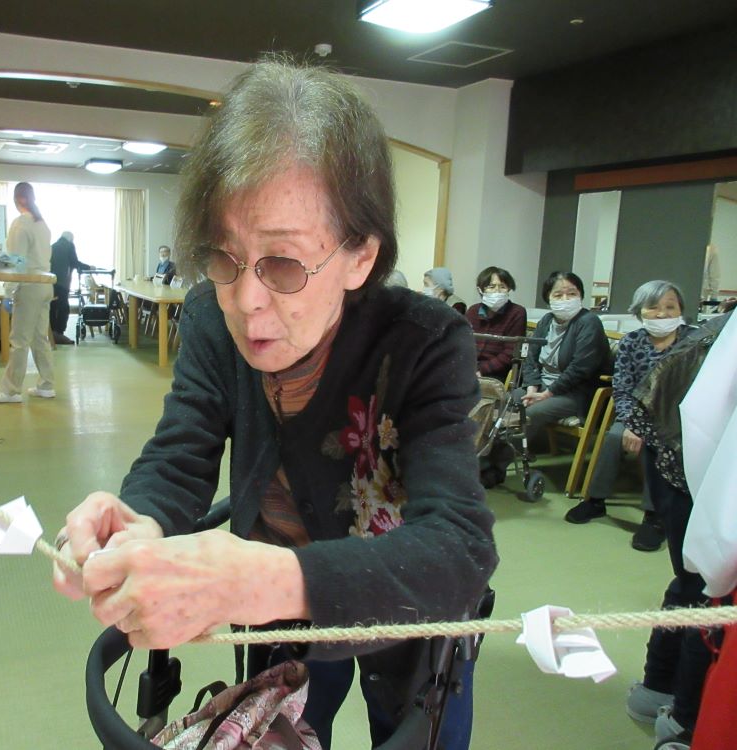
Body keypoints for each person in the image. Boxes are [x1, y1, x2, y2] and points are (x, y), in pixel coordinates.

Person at [54, 59, 497, 750]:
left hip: (399, 603)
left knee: (413, 729)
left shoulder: (426, 343)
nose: (245, 299)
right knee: (275, 730)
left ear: (360, 257)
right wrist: (138, 523)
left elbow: (460, 549)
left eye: (283, 265)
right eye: (224, 257)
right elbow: (182, 449)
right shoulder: (208, 318)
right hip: (273, 611)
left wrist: (259, 580)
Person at [622, 312, 732, 750]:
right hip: (688, 460)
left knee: (695, 586)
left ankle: (660, 696)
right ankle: (684, 719)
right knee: (706, 588)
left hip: (691, 457)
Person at [564, 281, 696, 553]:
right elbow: (622, 388)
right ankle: (596, 500)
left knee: (660, 444)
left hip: (679, 418)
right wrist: (631, 424)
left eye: (670, 307)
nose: (662, 314)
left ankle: (654, 516)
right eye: (653, 307)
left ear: (681, 310)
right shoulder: (632, 342)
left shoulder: (693, 343)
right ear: (640, 311)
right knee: (613, 436)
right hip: (637, 412)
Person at [516, 270, 611, 447]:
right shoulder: (546, 320)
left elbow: (580, 369)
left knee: (528, 414)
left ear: (581, 296)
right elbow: (531, 358)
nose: (566, 299)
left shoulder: (589, 322)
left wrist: (545, 395)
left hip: (574, 394)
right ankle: (488, 456)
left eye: (572, 294)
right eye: (558, 295)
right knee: (502, 400)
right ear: (548, 298)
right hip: (541, 386)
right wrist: (531, 389)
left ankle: (508, 461)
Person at [0, 182, 57, 403]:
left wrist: (8, 293)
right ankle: (46, 385)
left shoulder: (20, 225)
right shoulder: (42, 223)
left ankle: (10, 391)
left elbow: (17, 264)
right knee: (39, 338)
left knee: (19, 339)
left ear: (18, 200)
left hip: (29, 286)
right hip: (45, 284)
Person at [465, 266, 528, 381]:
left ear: (509, 289)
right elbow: (462, 343)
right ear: (481, 289)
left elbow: (510, 353)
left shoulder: (517, 312)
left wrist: (481, 370)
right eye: (491, 287)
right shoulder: (473, 311)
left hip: (496, 372)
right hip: (469, 367)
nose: (497, 291)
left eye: (502, 287)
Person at [49, 230, 94, 345]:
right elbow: (74, 263)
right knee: (64, 309)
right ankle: (59, 334)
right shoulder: (69, 245)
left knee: (53, 308)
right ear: (70, 239)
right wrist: (89, 267)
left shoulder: (52, 246)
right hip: (62, 283)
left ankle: (52, 333)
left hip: (50, 282)